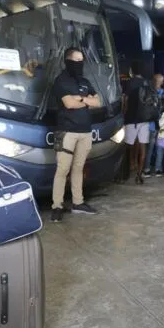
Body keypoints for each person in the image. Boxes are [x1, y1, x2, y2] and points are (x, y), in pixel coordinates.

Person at [51, 47, 100, 221]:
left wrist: (82, 99)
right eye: (77, 61)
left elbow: (98, 101)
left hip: (85, 132)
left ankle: (78, 202)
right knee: (62, 169)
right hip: (67, 132)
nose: (80, 64)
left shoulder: (85, 81)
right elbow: (69, 104)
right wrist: (86, 100)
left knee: (78, 168)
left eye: (82, 61)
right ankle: (57, 205)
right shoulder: (61, 81)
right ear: (68, 61)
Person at [122, 61, 151, 185]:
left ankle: (127, 171)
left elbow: (124, 100)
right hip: (144, 120)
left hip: (131, 119)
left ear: (131, 70)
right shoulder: (147, 83)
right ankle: (139, 174)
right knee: (143, 147)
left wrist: (123, 114)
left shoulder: (129, 83)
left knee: (128, 146)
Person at [144, 74, 164, 177]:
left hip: (151, 122)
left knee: (149, 147)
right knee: (160, 147)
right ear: (162, 82)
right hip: (162, 121)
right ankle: (158, 169)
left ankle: (147, 169)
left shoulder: (148, 92)